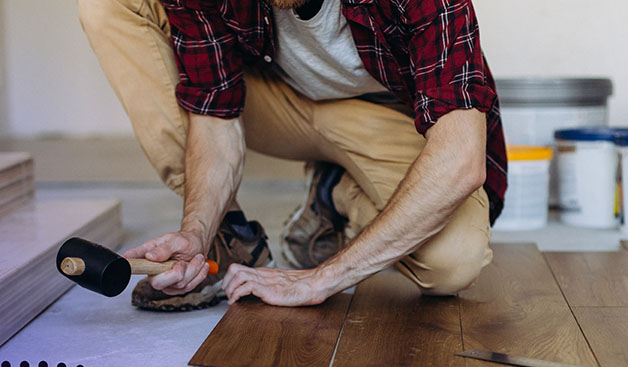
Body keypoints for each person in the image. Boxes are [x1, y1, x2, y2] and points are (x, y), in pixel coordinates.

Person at [78, 0, 507, 310]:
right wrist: (197, 231)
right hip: (275, 104)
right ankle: (229, 240)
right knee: (110, 5)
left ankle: (335, 192)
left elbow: (460, 159)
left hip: (390, 117)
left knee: (453, 262)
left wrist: (323, 280)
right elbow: (214, 118)